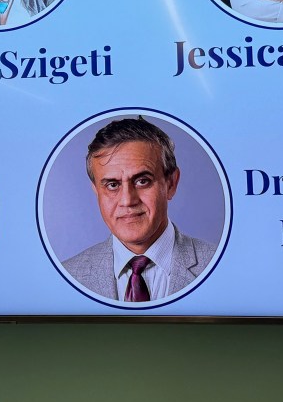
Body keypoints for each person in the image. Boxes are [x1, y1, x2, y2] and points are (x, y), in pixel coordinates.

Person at [61, 117, 216, 303]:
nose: (127, 201)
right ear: (96, 191)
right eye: (112, 185)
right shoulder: (66, 276)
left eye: (142, 181)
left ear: (171, 183)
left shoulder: (220, 267)